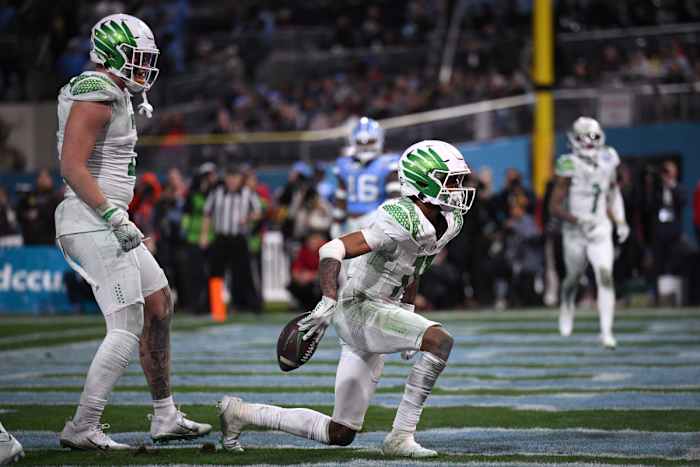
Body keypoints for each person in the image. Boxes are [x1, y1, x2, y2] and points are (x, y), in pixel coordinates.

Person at [218, 140, 476, 458]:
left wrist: (408, 307)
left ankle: (240, 414)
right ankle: (400, 436)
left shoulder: (450, 221)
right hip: (360, 307)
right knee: (440, 341)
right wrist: (327, 298)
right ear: (423, 182)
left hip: (381, 310)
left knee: (340, 432)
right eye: (451, 180)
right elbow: (331, 248)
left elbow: (414, 265)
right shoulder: (399, 217)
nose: (459, 188)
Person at [53, 14, 211, 450]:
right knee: (126, 323)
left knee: (160, 304)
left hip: (103, 217)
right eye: (135, 58)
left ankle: (164, 415)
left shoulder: (118, 92)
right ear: (110, 54)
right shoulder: (97, 91)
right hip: (90, 218)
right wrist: (113, 216)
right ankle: (83, 425)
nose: (143, 68)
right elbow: (71, 166)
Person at [549, 117, 630, 349]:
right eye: (584, 136)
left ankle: (606, 332)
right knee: (573, 277)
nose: (589, 142)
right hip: (575, 230)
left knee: (605, 275)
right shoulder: (567, 163)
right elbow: (553, 206)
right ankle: (567, 302)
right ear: (574, 139)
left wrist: (621, 221)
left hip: (600, 228)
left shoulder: (608, 158)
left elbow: (613, 193)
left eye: (593, 136)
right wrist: (577, 219)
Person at [200, 166, 263, 313]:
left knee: (241, 273)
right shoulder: (217, 193)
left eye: (235, 178)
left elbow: (258, 212)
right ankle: (216, 306)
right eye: (230, 177)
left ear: (240, 179)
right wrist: (204, 235)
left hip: (239, 239)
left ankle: (241, 305)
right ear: (226, 179)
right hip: (221, 238)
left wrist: (248, 218)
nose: (232, 181)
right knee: (215, 273)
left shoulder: (248, 193)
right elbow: (207, 214)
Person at [331, 117, 400, 237]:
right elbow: (341, 196)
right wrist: (337, 220)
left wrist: (390, 222)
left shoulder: (388, 162)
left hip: (376, 219)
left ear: (379, 140)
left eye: (370, 142)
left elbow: (395, 199)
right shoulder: (345, 164)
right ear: (352, 142)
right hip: (350, 221)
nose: (365, 146)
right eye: (360, 142)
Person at [16, 169, 62, 245]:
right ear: (37, 180)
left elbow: (54, 216)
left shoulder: (56, 197)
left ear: (51, 180)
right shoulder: (29, 196)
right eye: (41, 177)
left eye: (46, 177)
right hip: (29, 240)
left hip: (47, 240)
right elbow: (19, 213)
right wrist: (28, 215)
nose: (43, 180)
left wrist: (39, 213)